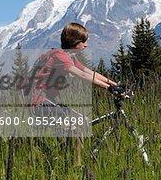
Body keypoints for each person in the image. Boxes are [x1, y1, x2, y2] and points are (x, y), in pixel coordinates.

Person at [30, 22, 121, 166]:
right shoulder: (59, 56)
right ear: (74, 42)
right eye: (83, 41)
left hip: (49, 100)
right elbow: (81, 75)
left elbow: (89, 72)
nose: (86, 45)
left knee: (83, 121)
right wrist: (108, 89)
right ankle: (74, 166)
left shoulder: (70, 57)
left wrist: (115, 84)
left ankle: (69, 158)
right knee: (75, 127)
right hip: (38, 101)